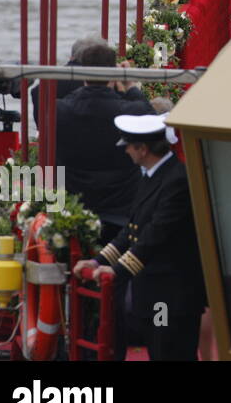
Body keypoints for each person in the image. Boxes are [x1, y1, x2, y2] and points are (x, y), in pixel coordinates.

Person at [74, 114, 206, 361]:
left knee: (167, 351)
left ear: (143, 149)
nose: (126, 152)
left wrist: (118, 271)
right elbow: (132, 229)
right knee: (159, 349)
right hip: (154, 291)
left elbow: (156, 234)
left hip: (169, 296)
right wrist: (98, 262)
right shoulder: (152, 176)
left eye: (128, 146)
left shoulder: (176, 180)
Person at [55, 40, 154, 242]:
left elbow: (37, 92)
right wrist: (129, 85)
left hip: (73, 205)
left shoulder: (60, 110)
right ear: (114, 72)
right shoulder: (129, 111)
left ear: (82, 72)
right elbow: (150, 118)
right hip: (123, 209)